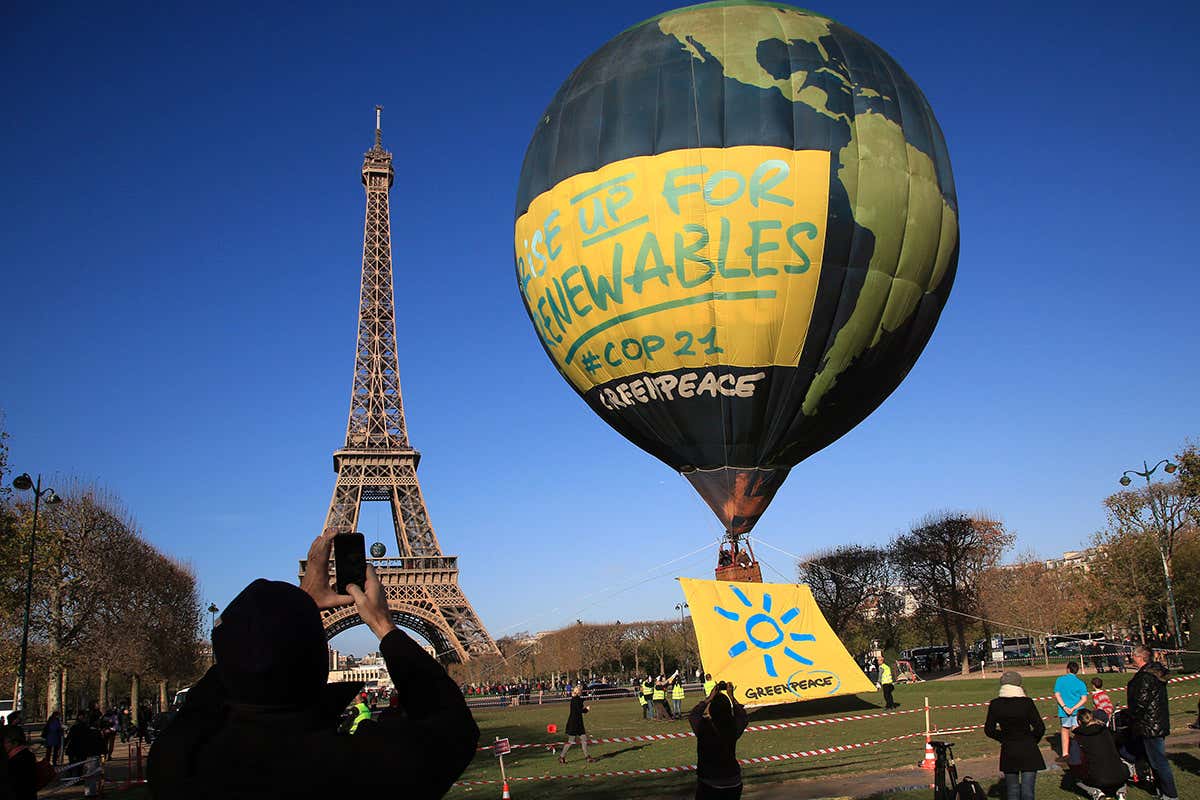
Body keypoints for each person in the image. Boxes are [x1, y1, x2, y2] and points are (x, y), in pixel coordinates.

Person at [147, 529, 480, 799]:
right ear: (317, 664)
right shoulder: (360, 773)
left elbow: (227, 675)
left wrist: (300, 605)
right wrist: (383, 625)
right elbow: (452, 725)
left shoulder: (177, 766)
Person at [983, 671, 1045, 800]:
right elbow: (1040, 728)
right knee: (1028, 791)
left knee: (1012, 790)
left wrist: (1003, 738)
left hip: (1009, 749)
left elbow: (989, 730)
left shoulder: (995, 704)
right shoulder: (1027, 703)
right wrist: (1032, 740)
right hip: (1028, 747)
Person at [1126, 645, 1176, 800]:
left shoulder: (1146, 677)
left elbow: (1141, 703)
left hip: (1150, 725)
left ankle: (1170, 794)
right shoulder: (1151, 674)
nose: (1131, 658)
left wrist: (1131, 716)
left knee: (1158, 761)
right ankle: (1162, 790)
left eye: (1133, 656)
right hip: (1154, 723)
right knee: (1153, 760)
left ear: (1140, 657)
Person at [688, 681, 748, 799]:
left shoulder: (704, 728)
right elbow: (743, 717)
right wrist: (732, 697)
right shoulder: (732, 728)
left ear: (711, 710)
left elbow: (693, 715)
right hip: (732, 780)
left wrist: (708, 699)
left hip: (709, 781)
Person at [1071, 708, 1128, 800]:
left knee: (1076, 778)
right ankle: (1121, 791)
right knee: (1121, 774)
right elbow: (1120, 747)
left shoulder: (1079, 737)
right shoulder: (1107, 731)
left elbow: (1074, 761)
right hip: (1119, 773)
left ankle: (1095, 792)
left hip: (1097, 776)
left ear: (1079, 722)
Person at [1053, 661, 1088, 762]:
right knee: (1078, 731)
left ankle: (1065, 753)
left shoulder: (1060, 680)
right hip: (1078, 711)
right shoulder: (1080, 683)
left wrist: (1064, 707)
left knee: (1065, 730)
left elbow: (1057, 694)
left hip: (1064, 711)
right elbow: (1084, 699)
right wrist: (1073, 708)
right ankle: (1081, 751)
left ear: (1068, 669)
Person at [558, 685, 594, 764]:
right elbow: (579, 710)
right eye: (580, 691)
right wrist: (586, 709)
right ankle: (561, 757)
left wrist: (588, 695)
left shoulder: (576, 699)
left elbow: (581, 700)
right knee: (570, 741)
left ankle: (587, 757)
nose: (581, 692)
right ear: (578, 692)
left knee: (584, 739)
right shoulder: (575, 700)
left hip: (578, 723)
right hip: (574, 724)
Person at [3, 723, 38, 800]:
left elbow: (12, 786)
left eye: (6, 742)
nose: (4, 745)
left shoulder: (16, 760)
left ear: (15, 743)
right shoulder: (26, 754)